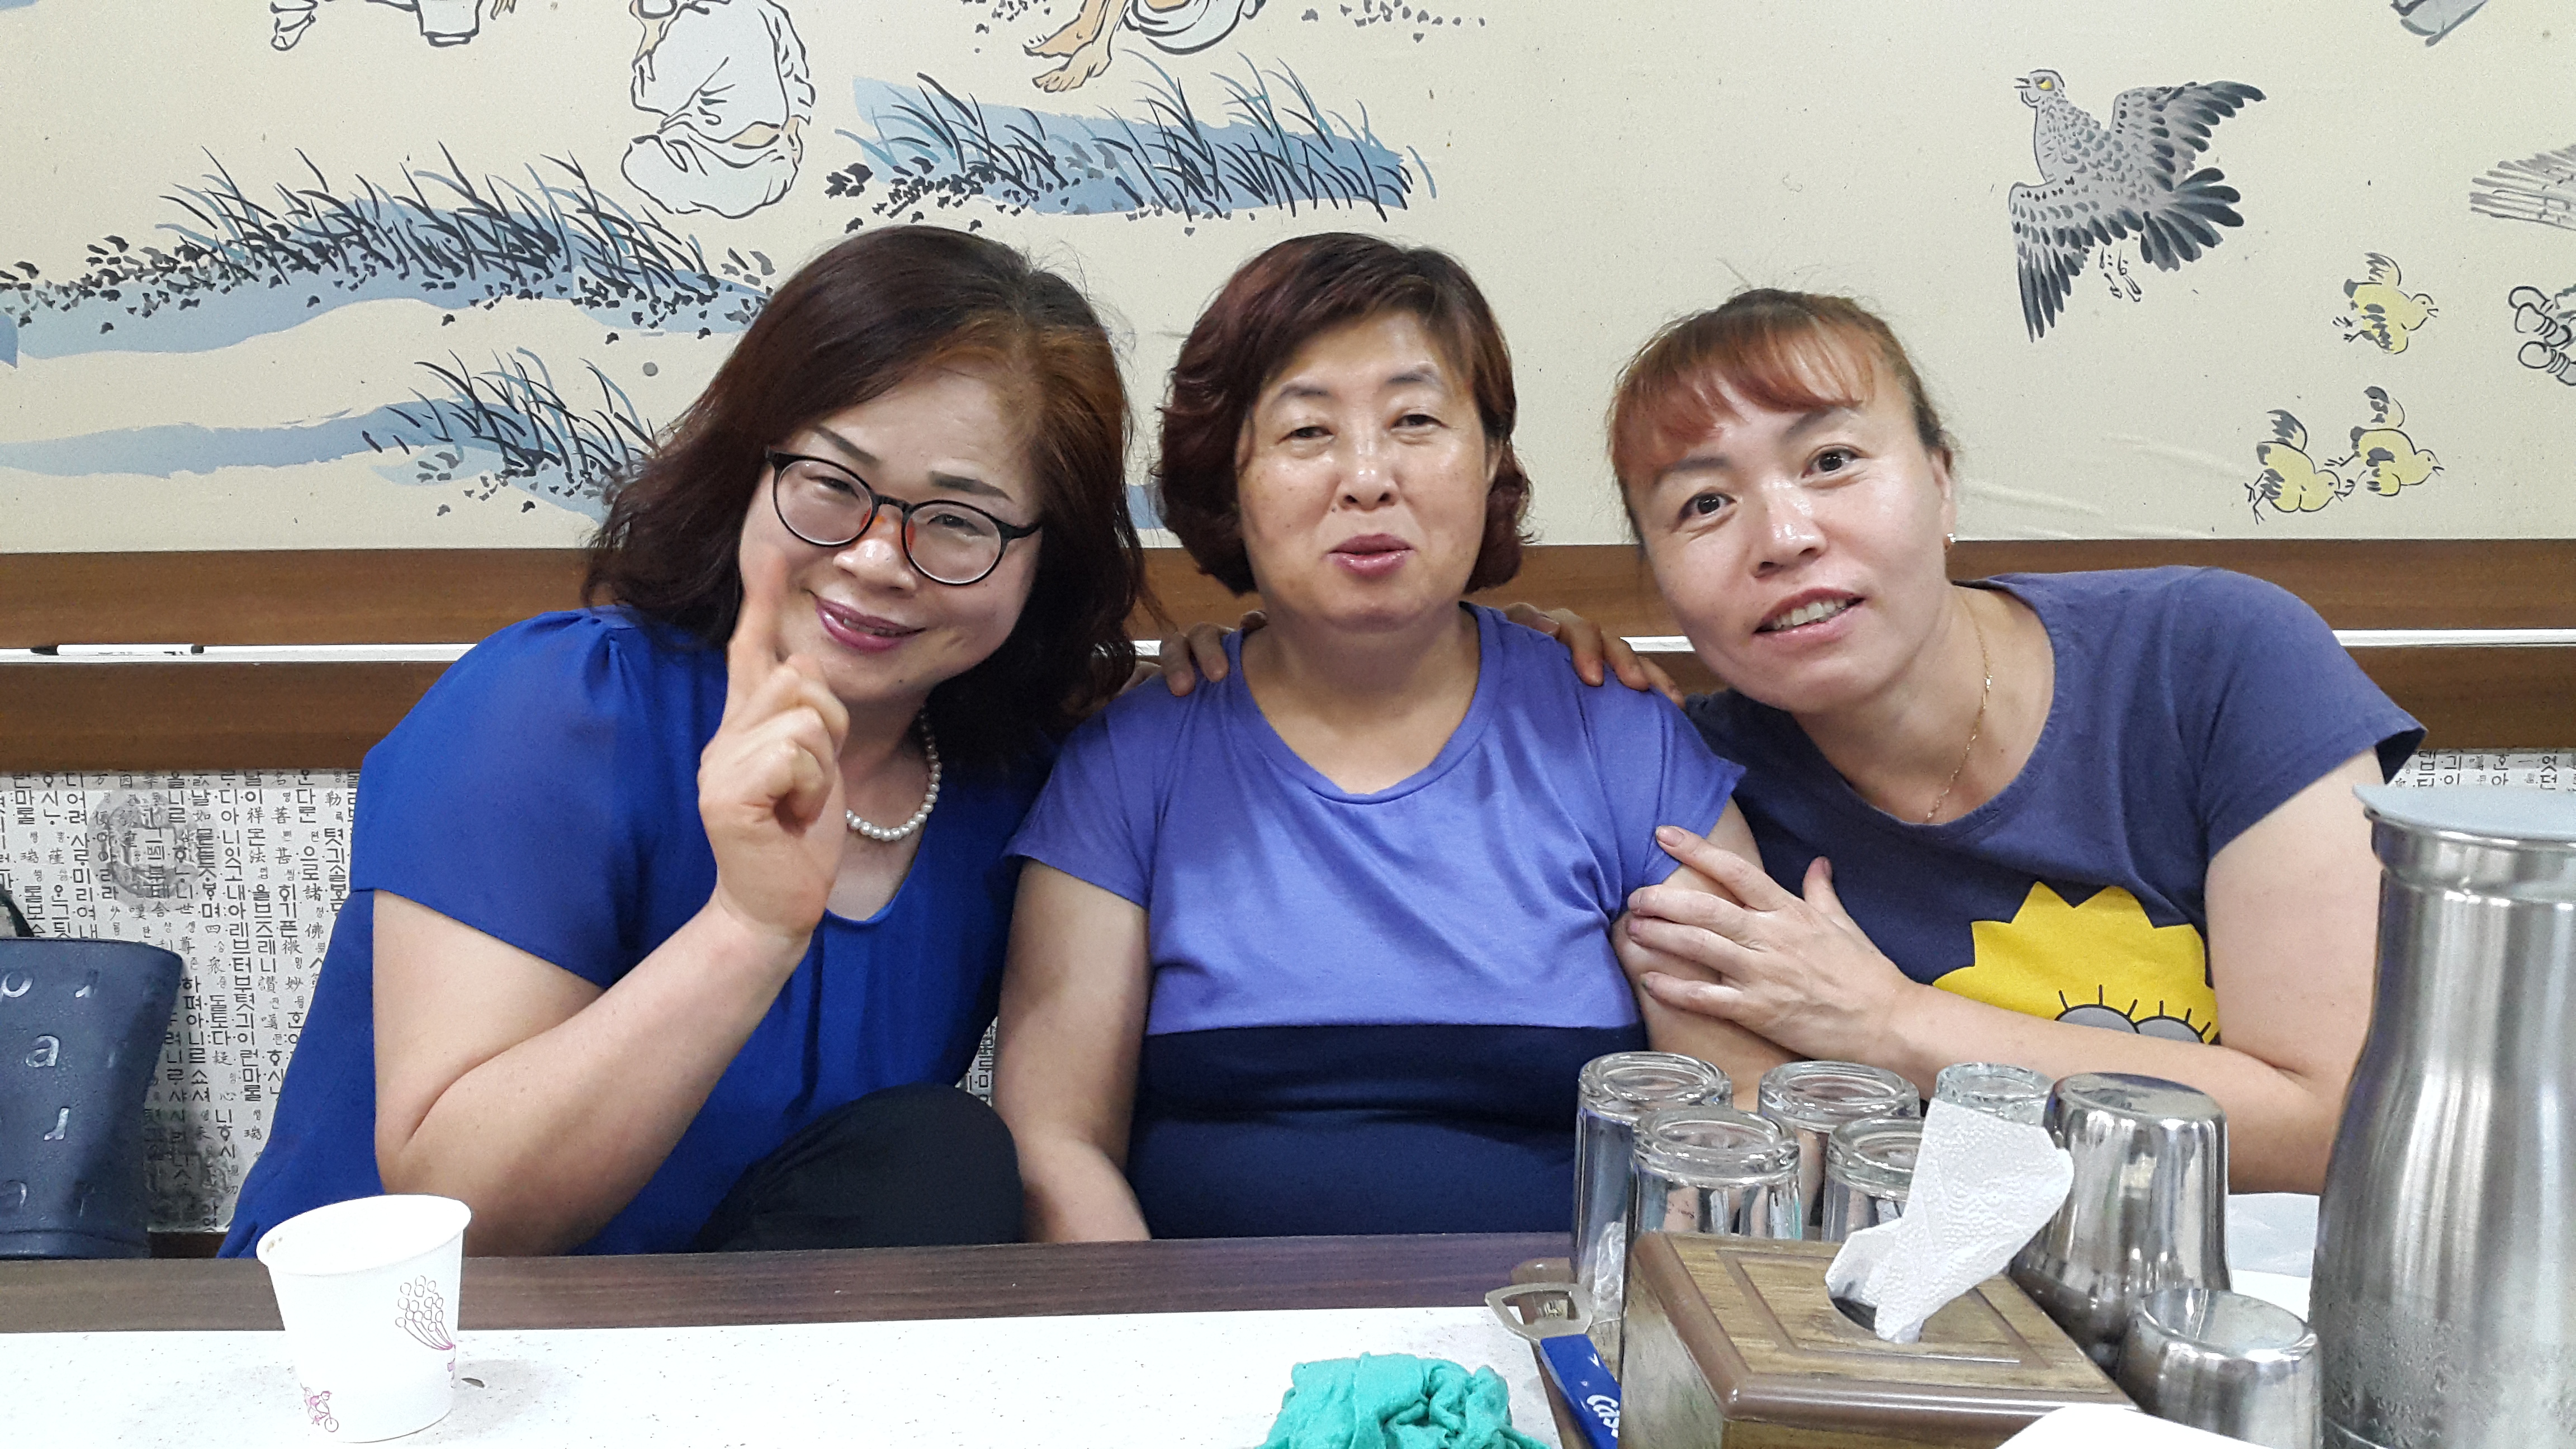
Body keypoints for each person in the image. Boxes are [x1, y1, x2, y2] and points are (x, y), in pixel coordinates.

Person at [221, 226, 1144, 1257]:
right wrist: (747, 928)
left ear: (1045, 560)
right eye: (833, 483)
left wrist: (1231, 671)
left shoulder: (1015, 789)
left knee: (940, 1153)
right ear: (748, 468)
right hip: (391, 1333)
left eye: (961, 522)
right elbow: (466, 1213)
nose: (880, 558)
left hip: (738, 1341)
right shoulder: (559, 710)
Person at [993, 233, 1759, 1241]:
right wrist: (1150, 1331)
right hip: (1202, 1329)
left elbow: (1739, 1110)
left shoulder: (1619, 737)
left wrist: (1626, 1323)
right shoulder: (1135, 763)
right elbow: (1054, 1142)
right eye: (1307, 431)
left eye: (1415, 421)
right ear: (1228, 483)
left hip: (1563, 1324)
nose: (1367, 477)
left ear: (1492, 458)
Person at [1568, 290, 2417, 1192]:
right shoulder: (1693, 789)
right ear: (1659, 578)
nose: (1783, 538)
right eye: (1704, 504)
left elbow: (2340, 1126)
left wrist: (1888, 1022)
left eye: (1832, 460)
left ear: (1942, 482)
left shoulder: (2215, 659)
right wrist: (1522, 656)